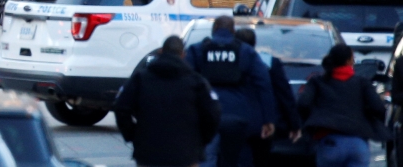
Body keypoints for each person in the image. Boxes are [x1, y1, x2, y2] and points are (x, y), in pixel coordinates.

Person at [115, 35, 221, 167]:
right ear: (183, 54)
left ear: (160, 52)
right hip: (186, 153)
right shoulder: (196, 82)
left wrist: (132, 134)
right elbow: (213, 113)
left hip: (148, 152)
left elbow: (121, 108)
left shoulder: (141, 79)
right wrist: (201, 140)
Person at [186, 16, 277, 167]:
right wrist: (268, 119)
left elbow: (185, 82)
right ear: (233, 31)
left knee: (207, 158)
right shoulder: (245, 51)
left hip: (207, 115)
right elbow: (264, 84)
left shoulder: (197, 50)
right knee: (239, 160)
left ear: (213, 30)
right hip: (238, 116)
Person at [298, 43, 387, 167]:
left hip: (329, 142)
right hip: (358, 142)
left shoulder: (318, 82)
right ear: (350, 61)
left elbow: (303, 104)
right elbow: (378, 108)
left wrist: (311, 123)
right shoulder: (362, 83)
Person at [234, 28, 301, 167]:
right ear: (255, 42)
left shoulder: (227, 63)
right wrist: (294, 124)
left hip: (235, 120)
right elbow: (284, 95)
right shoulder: (269, 62)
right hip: (262, 123)